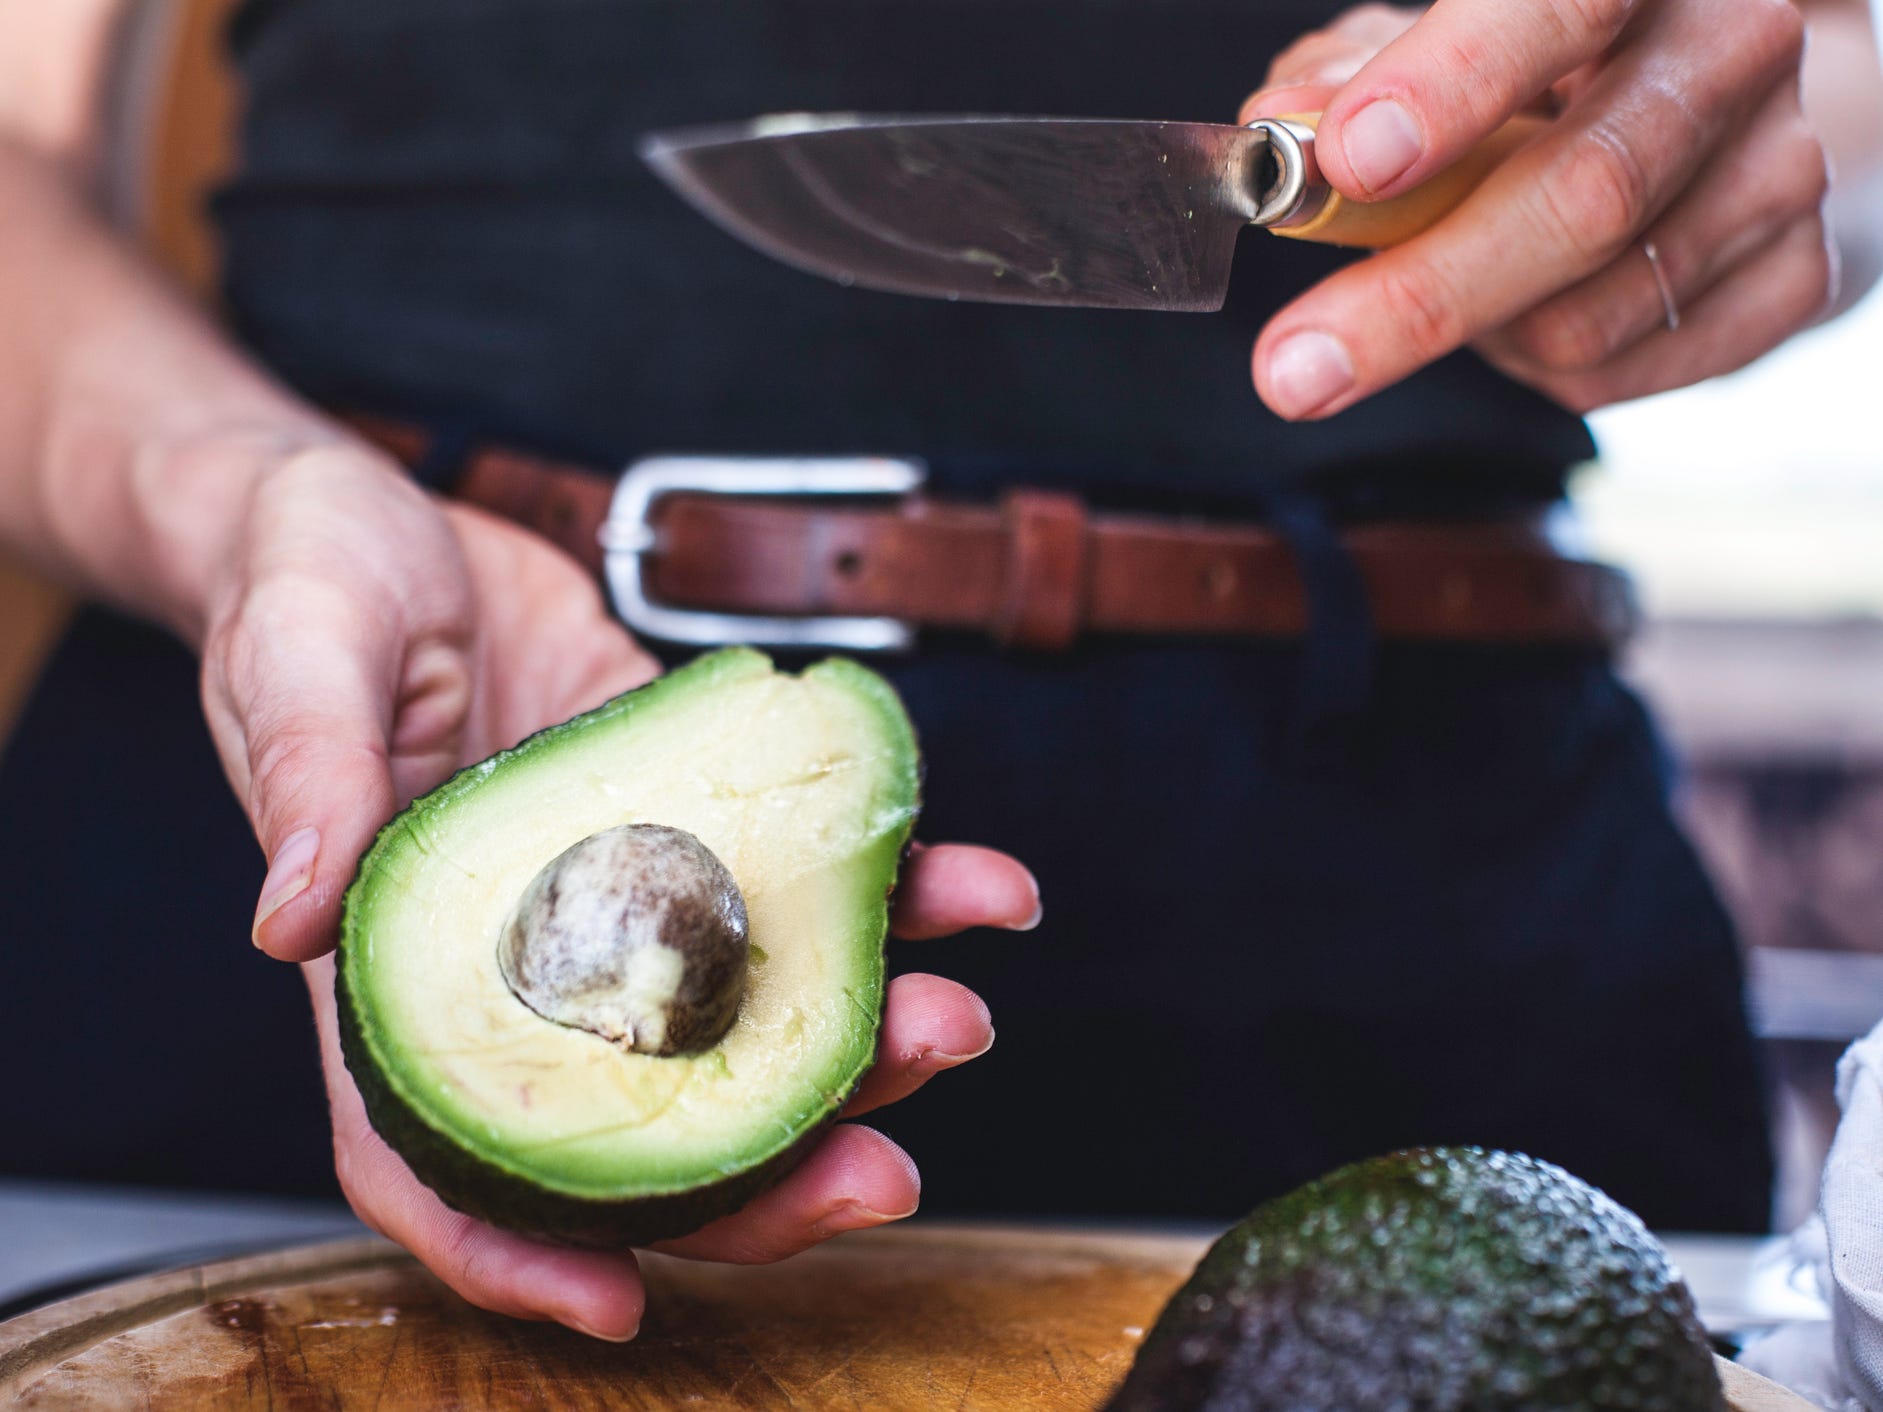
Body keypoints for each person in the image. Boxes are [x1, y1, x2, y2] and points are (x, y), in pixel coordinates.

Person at [0, 0, 1877, 1344]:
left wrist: (1754, 135)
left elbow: (1831, 90)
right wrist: (235, 496)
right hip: (378, 698)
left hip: (1431, 875)